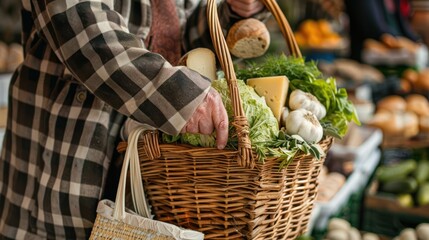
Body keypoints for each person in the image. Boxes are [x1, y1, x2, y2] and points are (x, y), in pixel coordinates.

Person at [0, 0, 267, 239]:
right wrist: (182, 95)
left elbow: (181, 39)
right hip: (64, 178)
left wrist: (232, 13)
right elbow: (88, 34)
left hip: (145, 192)